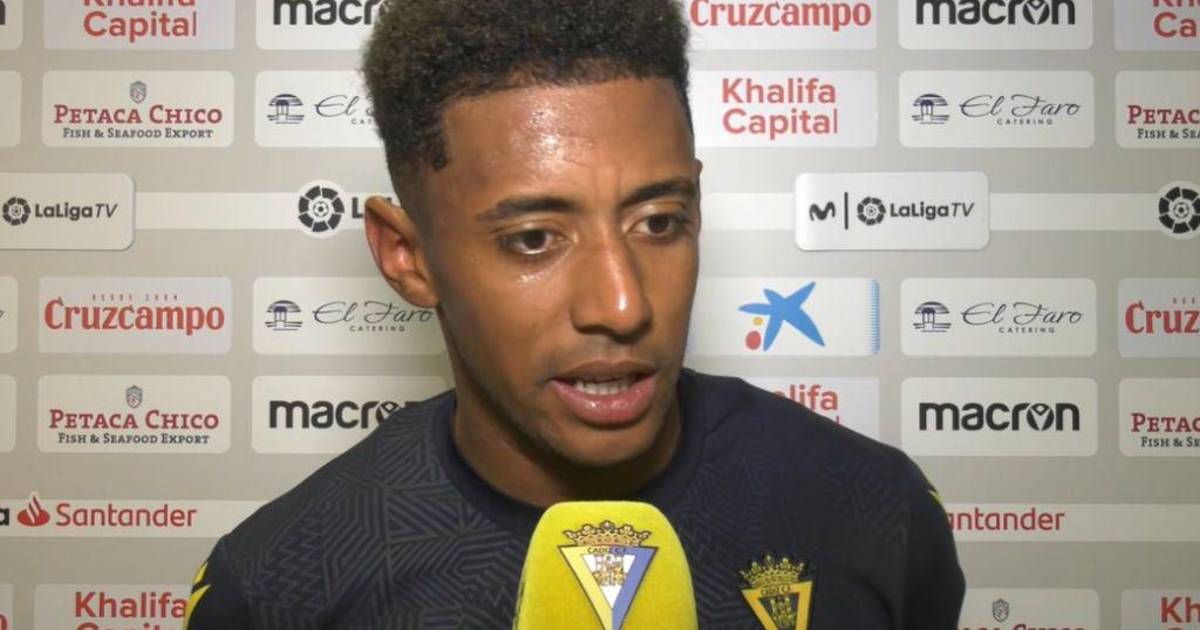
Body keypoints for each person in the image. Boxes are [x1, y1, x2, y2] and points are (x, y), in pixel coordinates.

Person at [183, 1, 965, 628]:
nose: (623, 305)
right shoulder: (282, 587)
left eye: (658, 221)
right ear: (407, 257)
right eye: (533, 239)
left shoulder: (874, 512)